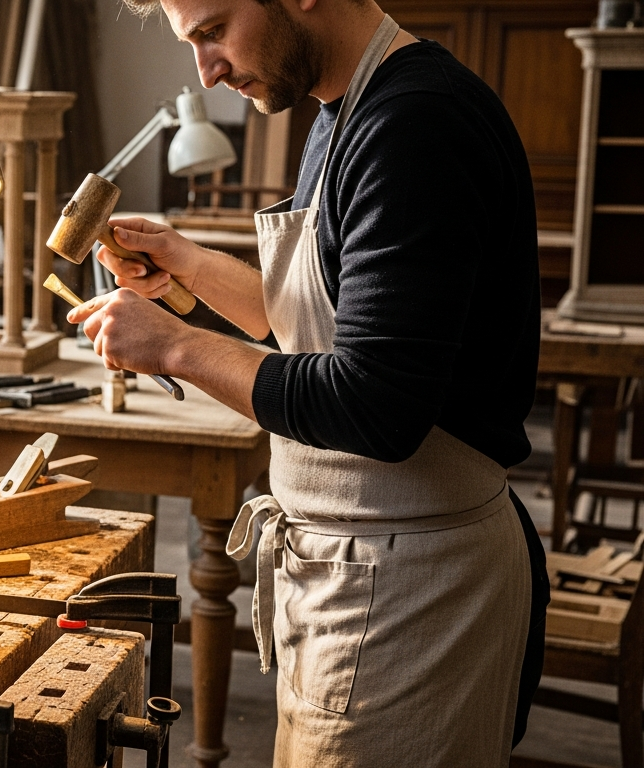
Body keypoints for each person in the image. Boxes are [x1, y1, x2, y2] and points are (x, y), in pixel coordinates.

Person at [68, 0, 551, 763]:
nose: (207, 69)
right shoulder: (340, 108)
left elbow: (374, 402)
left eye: (213, 31)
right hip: (353, 571)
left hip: (413, 593)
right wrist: (187, 268)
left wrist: (175, 349)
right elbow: (313, 316)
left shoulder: (415, 124)